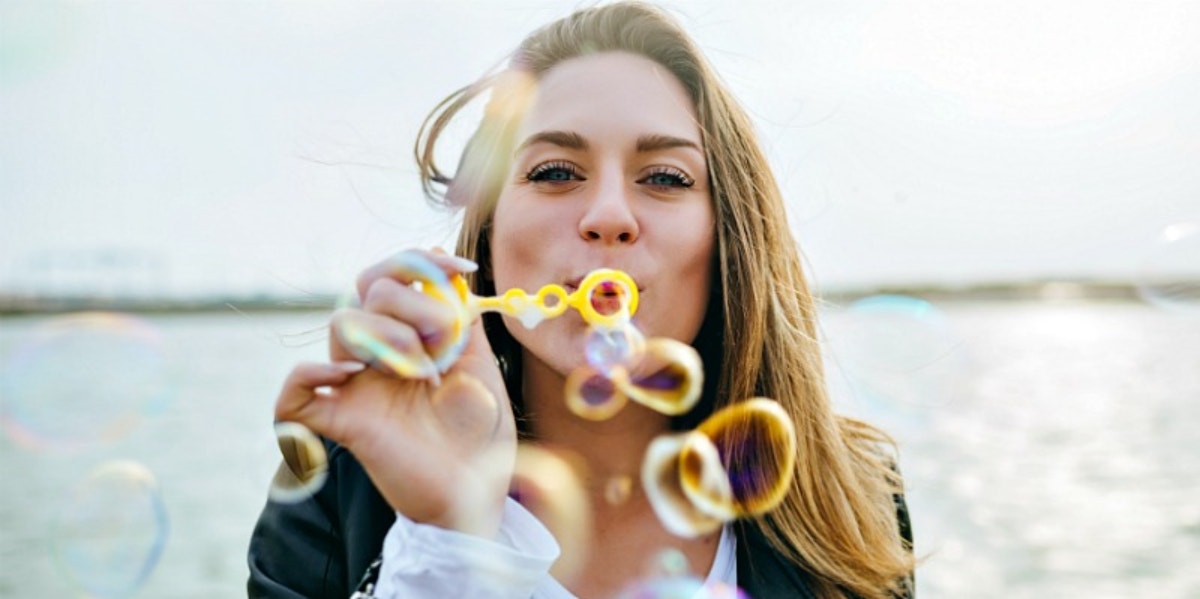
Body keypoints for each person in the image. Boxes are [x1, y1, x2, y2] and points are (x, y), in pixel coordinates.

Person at [247, 2, 915, 598]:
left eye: (664, 177)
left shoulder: (857, 495)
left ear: (731, 234)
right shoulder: (341, 490)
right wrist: (450, 535)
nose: (608, 215)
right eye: (556, 172)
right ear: (490, 230)